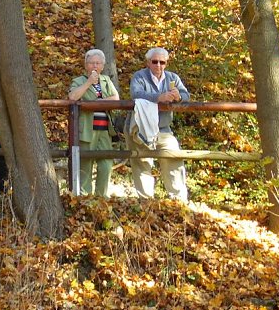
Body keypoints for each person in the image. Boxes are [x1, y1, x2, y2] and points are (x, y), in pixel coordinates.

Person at [129, 47, 190, 201]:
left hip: (163, 129)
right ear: (148, 62)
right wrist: (159, 97)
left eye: (161, 62)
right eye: (154, 61)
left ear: (166, 63)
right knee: (142, 163)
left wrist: (178, 97)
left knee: (173, 158)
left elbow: (186, 95)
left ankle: (178, 200)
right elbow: (136, 93)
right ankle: (146, 201)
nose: (158, 65)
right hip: (141, 128)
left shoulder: (172, 78)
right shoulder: (139, 76)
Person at [68, 49, 119, 196]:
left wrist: (99, 102)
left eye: (98, 63)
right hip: (87, 129)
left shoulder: (106, 80)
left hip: (105, 130)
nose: (94, 66)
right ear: (86, 65)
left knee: (106, 163)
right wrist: (89, 82)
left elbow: (116, 98)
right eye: (91, 63)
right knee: (86, 163)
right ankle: (85, 197)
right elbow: (73, 97)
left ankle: (101, 196)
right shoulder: (79, 81)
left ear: (102, 66)